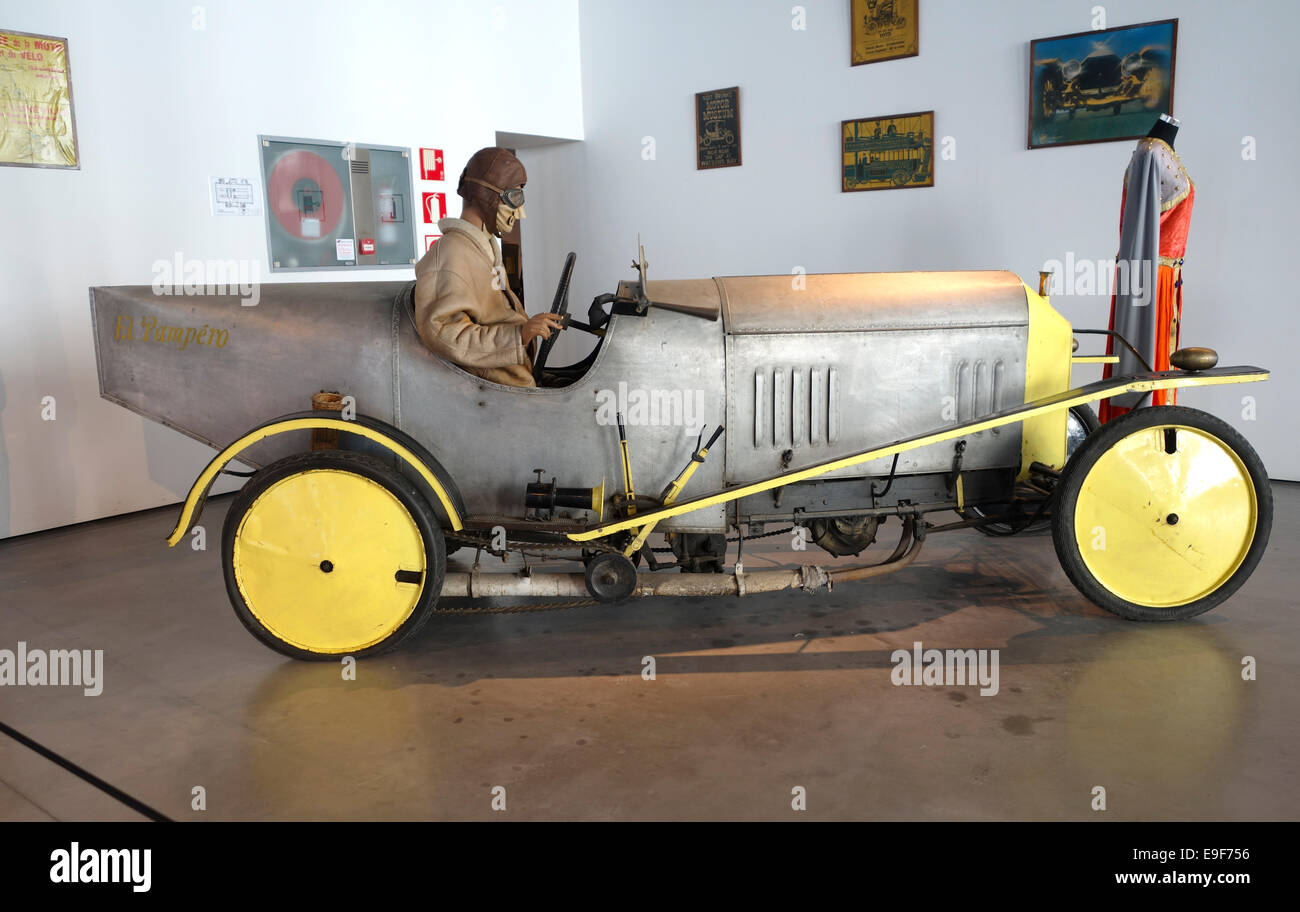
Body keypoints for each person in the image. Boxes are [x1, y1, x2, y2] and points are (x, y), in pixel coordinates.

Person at [412, 147, 563, 387]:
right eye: (514, 198)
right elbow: (444, 333)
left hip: (513, 379)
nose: (520, 213)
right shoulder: (452, 254)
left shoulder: (483, 247)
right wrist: (518, 336)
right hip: (494, 391)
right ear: (486, 196)